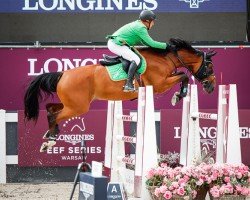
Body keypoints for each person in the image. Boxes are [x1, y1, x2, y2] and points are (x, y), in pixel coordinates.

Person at [107, 9, 175, 92]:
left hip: (117, 43)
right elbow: (151, 43)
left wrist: (163, 46)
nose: (153, 24)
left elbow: (145, 42)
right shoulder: (140, 27)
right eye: (153, 21)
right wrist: (167, 46)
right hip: (116, 44)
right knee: (136, 59)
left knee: (135, 58)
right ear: (147, 21)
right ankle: (128, 84)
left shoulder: (138, 24)